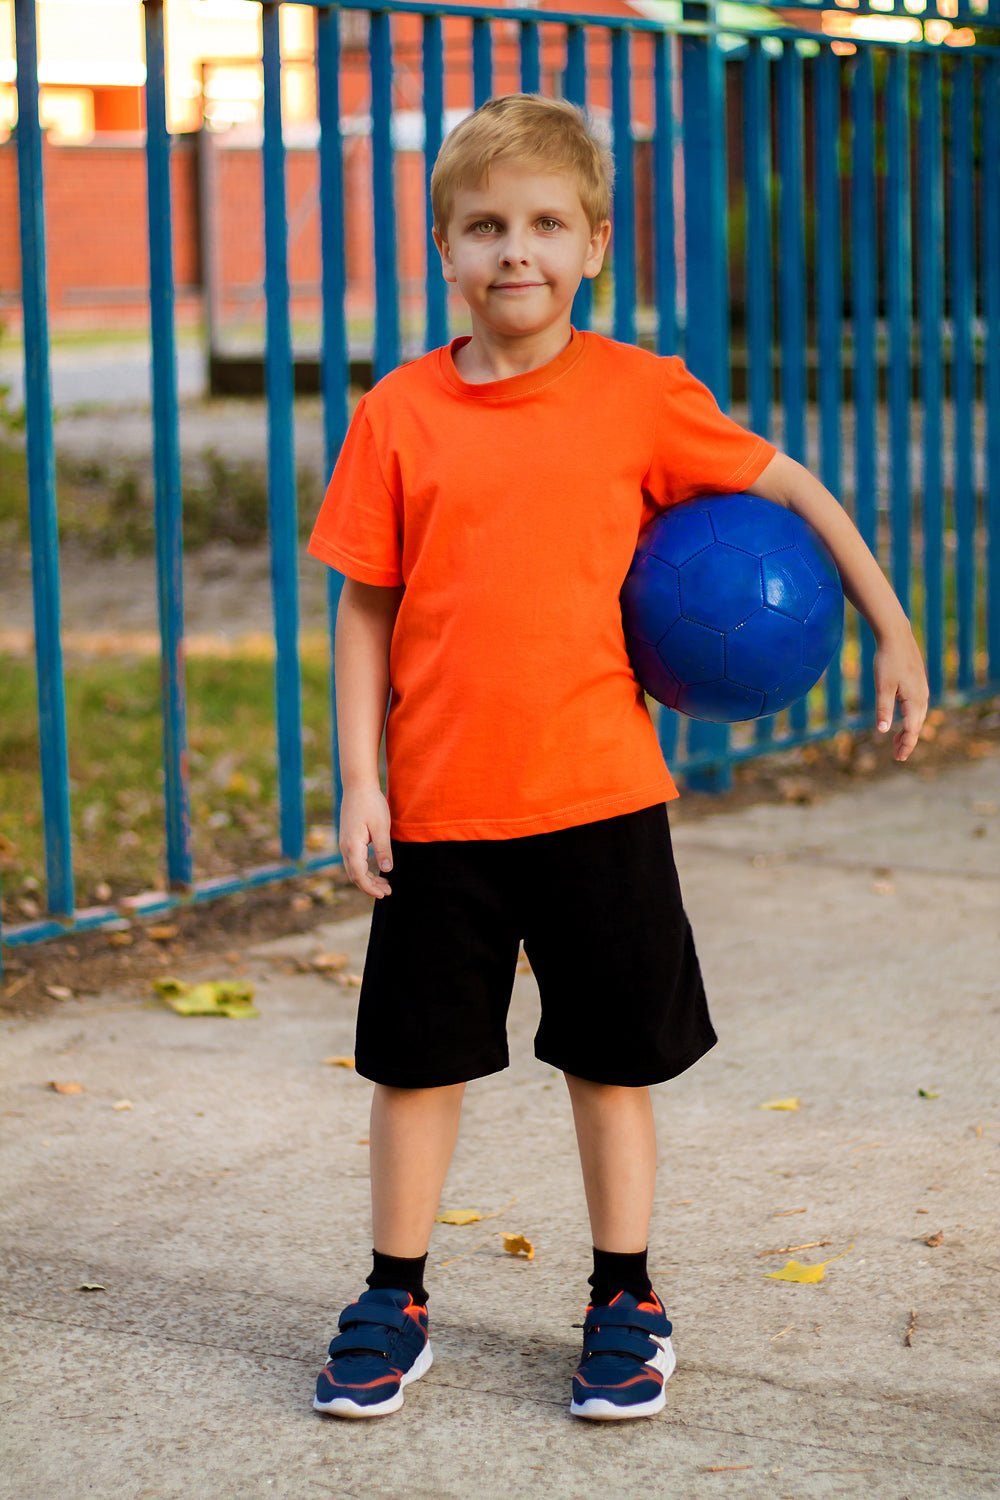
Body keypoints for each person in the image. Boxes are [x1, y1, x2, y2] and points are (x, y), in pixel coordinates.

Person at [306, 93, 928, 1422]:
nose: (513, 249)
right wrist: (358, 776)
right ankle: (391, 1292)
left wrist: (893, 629)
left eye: (544, 224)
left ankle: (624, 1294)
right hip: (441, 808)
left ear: (596, 242)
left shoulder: (642, 395)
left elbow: (795, 484)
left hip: (599, 804)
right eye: (484, 226)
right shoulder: (400, 413)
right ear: (443, 250)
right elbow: (363, 600)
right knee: (415, 1065)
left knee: (612, 1061)